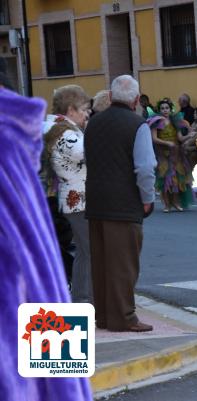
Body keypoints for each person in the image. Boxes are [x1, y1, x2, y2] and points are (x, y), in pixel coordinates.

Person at [1, 72, 93, 401]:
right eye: (84, 108)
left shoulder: (26, 131)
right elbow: (40, 278)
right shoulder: (12, 141)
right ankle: (83, 299)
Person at [84, 75, 157, 332]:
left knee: (101, 263)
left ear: (112, 97)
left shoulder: (92, 124)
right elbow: (146, 168)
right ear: (137, 100)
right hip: (124, 204)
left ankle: (104, 316)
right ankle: (125, 317)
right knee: (124, 265)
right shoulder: (138, 126)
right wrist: (148, 199)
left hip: (95, 202)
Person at [43, 85, 93, 303]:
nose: (87, 113)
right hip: (77, 199)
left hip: (70, 197)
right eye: (84, 109)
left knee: (84, 251)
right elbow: (89, 153)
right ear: (71, 109)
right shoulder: (67, 134)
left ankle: (82, 298)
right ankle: (83, 300)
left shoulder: (54, 127)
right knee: (88, 251)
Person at [148, 98, 193, 212]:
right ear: (159, 110)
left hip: (176, 154)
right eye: (162, 108)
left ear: (170, 109)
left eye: (167, 108)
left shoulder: (174, 121)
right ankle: (167, 205)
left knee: (177, 179)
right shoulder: (156, 121)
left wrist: (189, 135)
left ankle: (176, 203)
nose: (165, 110)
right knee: (165, 179)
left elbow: (180, 138)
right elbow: (154, 138)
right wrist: (166, 143)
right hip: (163, 154)